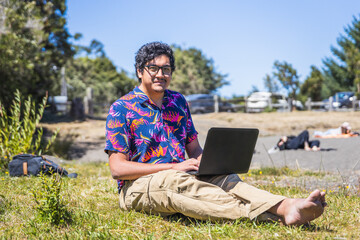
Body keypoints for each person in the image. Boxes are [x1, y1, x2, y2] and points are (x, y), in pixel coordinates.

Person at [105, 42, 326, 226]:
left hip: (183, 174)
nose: (161, 74)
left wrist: (209, 164)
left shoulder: (178, 102)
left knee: (227, 179)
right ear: (139, 71)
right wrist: (174, 166)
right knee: (177, 182)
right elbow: (118, 169)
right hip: (138, 187)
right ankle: (276, 215)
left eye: (166, 69)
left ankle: (286, 206)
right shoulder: (122, 108)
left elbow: (194, 149)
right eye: (153, 68)